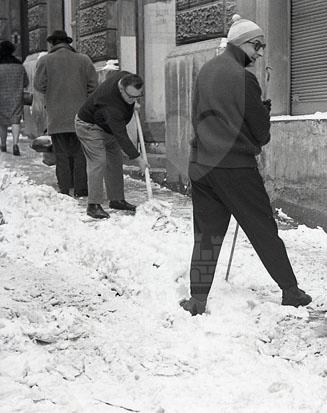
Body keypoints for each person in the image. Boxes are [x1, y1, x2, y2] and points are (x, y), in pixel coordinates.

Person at [180, 14, 311, 315]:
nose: (260, 53)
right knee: (262, 228)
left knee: (206, 235)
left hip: (202, 165)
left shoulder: (206, 70)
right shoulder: (244, 78)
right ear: (241, 43)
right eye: (257, 45)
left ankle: (197, 299)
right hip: (235, 168)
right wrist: (263, 107)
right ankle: (291, 291)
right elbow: (261, 133)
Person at [74, 72, 149, 219]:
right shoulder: (111, 106)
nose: (134, 100)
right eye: (131, 97)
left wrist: (133, 102)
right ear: (121, 89)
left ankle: (117, 200)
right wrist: (138, 158)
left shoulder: (125, 77)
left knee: (115, 160)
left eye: (138, 96)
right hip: (89, 126)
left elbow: (125, 93)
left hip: (106, 126)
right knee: (99, 161)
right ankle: (93, 205)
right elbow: (121, 136)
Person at [34, 30, 98, 197]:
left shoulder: (45, 61)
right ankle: (81, 189)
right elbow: (93, 86)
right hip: (81, 116)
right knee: (80, 153)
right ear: (68, 43)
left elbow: (39, 86)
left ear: (52, 44)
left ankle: (64, 189)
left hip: (56, 117)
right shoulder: (84, 60)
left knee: (61, 154)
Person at [0, 40, 28, 156]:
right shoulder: (19, 66)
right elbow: (26, 82)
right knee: (15, 120)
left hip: (1, 98)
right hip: (16, 97)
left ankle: (3, 144)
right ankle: (15, 144)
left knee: (2, 122)